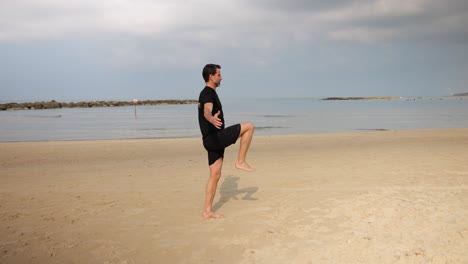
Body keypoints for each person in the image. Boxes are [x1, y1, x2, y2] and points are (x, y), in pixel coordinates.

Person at [198, 63, 256, 219]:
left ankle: (207, 211)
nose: (221, 77)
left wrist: (210, 119)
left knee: (215, 175)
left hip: (210, 140)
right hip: (216, 138)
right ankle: (240, 161)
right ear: (211, 77)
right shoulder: (208, 94)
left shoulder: (207, 93)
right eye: (218, 74)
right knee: (249, 127)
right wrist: (210, 118)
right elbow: (206, 110)